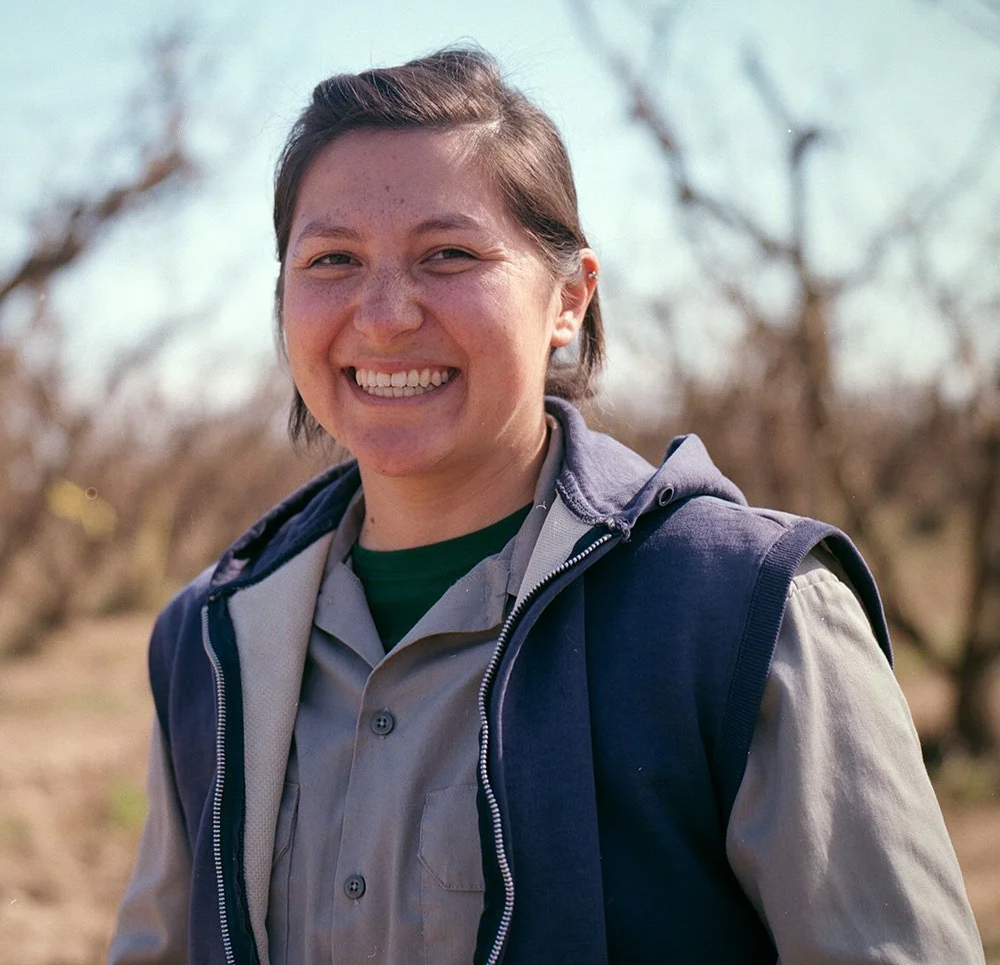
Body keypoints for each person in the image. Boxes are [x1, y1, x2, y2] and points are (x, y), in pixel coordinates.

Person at [109, 47, 985, 965]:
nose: (383, 313)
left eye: (448, 254)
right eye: (332, 259)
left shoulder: (749, 616)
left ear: (569, 297)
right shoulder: (210, 641)